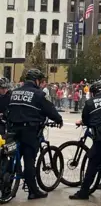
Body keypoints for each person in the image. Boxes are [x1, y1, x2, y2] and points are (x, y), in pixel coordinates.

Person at [7, 69, 63, 200]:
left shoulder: (14, 92)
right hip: (29, 131)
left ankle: (6, 187)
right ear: (37, 81)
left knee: (12, 158)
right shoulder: (39, 94)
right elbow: (50, 110)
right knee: (29, 160)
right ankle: (33, 191)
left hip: (13, 129)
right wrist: (59, 120)